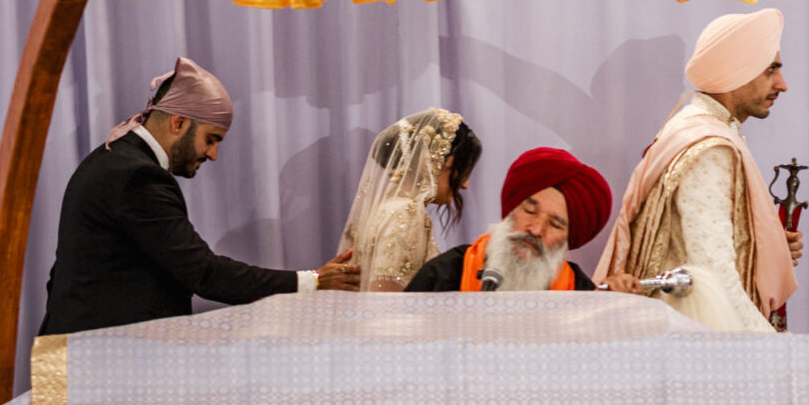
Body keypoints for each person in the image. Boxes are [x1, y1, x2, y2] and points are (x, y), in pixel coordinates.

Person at [39, 57, 361, 334]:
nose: (214, 154)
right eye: (211, 139)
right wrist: (313, 281)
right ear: (178, 123)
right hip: (99, 365)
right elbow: (205, 274)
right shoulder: (137, 177)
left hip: (81, 355)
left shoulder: (113, 160)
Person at [596, 8, 801, 332]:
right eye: (771, 69)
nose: (782, 84)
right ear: (738, 70)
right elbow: (715, 277)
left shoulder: (695, 129)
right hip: (698, 349)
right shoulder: (709, 149)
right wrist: (774, 353)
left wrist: (766, 246)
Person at [405, 148, 638, 294]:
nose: (536, 230)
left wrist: (614, 306)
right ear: (510, 209)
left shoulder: (576, 290)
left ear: (568, 239)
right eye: (529, 210)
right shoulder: (444, 274)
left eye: (556, 224)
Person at [339, 109, 484, 291]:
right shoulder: (406, 214)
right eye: (464, 171)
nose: (465, 185)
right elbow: (387, 302)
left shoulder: (386, 208)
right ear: (433, 160)